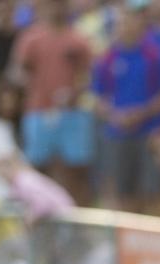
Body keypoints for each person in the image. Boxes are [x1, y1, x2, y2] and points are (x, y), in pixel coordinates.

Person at [91, 5, 160, 211]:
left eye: (129, 21)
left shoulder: (156, 54)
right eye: (120, 23)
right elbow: (97, 97)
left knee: (151, 190)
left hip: (150, 134)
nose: (124, 26)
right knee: (120, 192)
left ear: (141, 23)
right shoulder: (108, 57)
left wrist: (142, 113)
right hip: (118, 134)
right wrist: (115, 115)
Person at [8, 0, 95, 204]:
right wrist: (28, 80)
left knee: (76, 170)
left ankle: (76, 218)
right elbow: (17, 70)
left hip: (72, 113)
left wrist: (75, 92)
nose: (56, 8)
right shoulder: (31, 38)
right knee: (38, 169)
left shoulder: (78, 39)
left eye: (60, 4)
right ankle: (42, 215)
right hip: (38, 111)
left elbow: (90, 76)